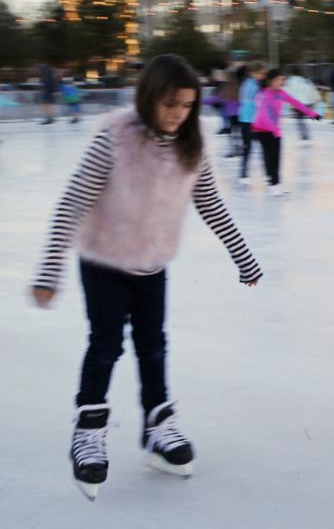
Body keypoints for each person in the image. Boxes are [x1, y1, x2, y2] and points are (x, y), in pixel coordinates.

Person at [30, 54, 263, 500]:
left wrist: (243, 257)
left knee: (153, 345)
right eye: (170, 104)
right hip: (105, 262)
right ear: (150, 97)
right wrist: (49, 270)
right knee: (106, 344)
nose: (178, 114)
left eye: (187, 106)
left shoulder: (191, 145)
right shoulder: (114, 139)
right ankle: (89, 428)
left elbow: (210, 203)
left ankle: (158, 424)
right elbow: (72, 203)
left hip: (152, 262)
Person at [250, 68, 321, 195]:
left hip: (274, 129)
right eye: (278, 80)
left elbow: (296, 103)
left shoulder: (281, 93)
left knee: (276, 157)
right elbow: (264, 115)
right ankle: (273, 184)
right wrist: (274, 130)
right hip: (262, 129)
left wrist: (312, 114)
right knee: (269, 156)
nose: (281, 82)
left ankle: (275, 183)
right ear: (271, 81)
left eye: (282, 80)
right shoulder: (263, 95)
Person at [237, 62, 266, 184]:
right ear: (254, 73)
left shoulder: (257, 84)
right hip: (248, 120)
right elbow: (248, 101)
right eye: (261, 73)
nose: (263, 75)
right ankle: (243, 174)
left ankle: (267, 173)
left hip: (256, 120)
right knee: (247, 147)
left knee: (264, 147)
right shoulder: (249, 84)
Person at [283, 66, 320, 143]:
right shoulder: (305, 80)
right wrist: (314, 100)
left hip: (298, 103)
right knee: (300, 118)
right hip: (306, 102)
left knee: (299, 119)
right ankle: (305, 134)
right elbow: (312, 90)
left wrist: (287, 103)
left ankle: (305, 135)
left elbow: (287, 91)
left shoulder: (290, 81)